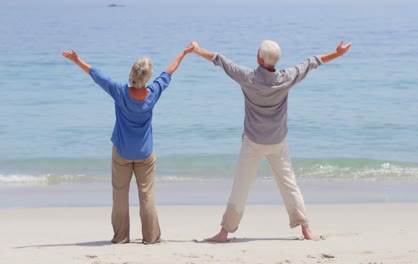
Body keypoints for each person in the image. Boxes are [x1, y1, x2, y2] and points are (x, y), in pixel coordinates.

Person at [191, 40, 352, 242]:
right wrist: (338, 54)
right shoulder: (286, 78)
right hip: (277, 143)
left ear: (259, 58)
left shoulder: (248, 77)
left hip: (252, 143)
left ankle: (225, 232)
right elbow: (313, 62)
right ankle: (305, 229)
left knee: (240, 188)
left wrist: (197, 50)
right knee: (289, 185)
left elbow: (220, 60)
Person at [61, 44, 193, 244]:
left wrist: (77, 61)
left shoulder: (119, 91)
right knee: (147, 195)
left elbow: (96, 75)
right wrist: (183, 53)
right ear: (147, 77)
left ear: (132, 73)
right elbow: (169, 71)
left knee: (120, 195)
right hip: (145, 154)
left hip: (122, 152)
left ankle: (121, 237)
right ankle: (151, 238)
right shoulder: (153, 92)